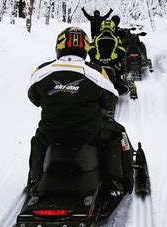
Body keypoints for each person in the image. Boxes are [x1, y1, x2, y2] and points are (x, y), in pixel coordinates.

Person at [27, 26, 133, 197]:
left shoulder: (41, 71)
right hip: (89, 133)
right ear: (85, 48)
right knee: (117, 133)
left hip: (52, 133)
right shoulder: (96, 72)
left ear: (59, 47)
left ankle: (35, 180)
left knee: (38, 140)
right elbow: (110, 100)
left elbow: (33, 98)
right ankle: (115, 181)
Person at [89, 20, 128, 95]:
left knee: (91, 73)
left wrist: (94, 58)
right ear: (112, 28)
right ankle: (120, 87)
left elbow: (90, 50)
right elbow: (122, 51)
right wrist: (117, 58)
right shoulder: (116, 38)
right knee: (120, 71)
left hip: (98, 63)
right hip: (112, 63)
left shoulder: (96, 38)